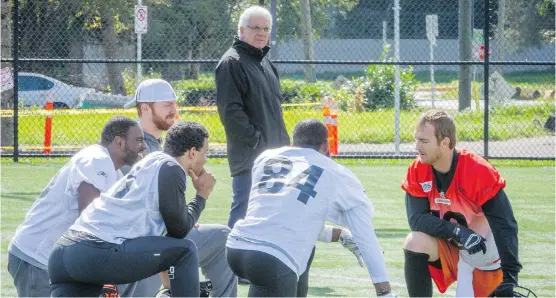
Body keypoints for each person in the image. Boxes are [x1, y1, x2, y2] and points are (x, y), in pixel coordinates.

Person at [226, 119, 395, 297]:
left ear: (293, 143)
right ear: (326, 145)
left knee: (302, 251)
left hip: (236, 248)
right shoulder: (337, 173)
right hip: (272, 260)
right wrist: (384, 292)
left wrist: (339, 234)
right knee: (275, 271)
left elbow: (290, 217)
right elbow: (365, 236)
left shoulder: (266, 157)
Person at [48, 121, 216, 296]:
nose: (206, 159)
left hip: (65, 252)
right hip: (96, 250)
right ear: (193, 152)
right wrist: (201, 196)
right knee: (186, 251)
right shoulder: (171, 167)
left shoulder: (151, 162)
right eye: (206, 153)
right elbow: (179, 231)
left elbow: (165, 238)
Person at [119, 79, 238, 297]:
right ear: (145, 108)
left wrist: (182, 216)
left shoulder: (156, 144)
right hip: (136, 241)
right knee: (217, 238)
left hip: (149, 236)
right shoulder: (135, 148)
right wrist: (198, 199)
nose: (174, 110)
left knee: (220, 236)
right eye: (167, 105)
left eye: (175, 104)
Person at [7, 116, 146, 297]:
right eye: (138, 140)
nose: (143, 146)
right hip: (37, 258)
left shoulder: (114, 171)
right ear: (119, 142)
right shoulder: (97, 159)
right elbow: (90, 218)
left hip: (55, 261)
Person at [401, 109, 521, 297]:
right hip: (455, 250)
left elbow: (504, 223)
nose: (417, 146)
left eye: (424, 141)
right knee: (414, 241)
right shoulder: (418, 169)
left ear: (445, 142)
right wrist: (458, 232)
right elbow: (417, 219)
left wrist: (510, 275)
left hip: (487, 257)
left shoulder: (477, 170)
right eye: (416, 139)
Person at [216, 5, 290, 229]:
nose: (261, 33)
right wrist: (257, 141)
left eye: (266, 28)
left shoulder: (265, 62)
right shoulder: (232, 62)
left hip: (275, 155)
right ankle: (227, 263)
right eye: (256, 27)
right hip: (250, 158)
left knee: (274, 213)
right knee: (244, 212)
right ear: (241, 30)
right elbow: (230, 113)